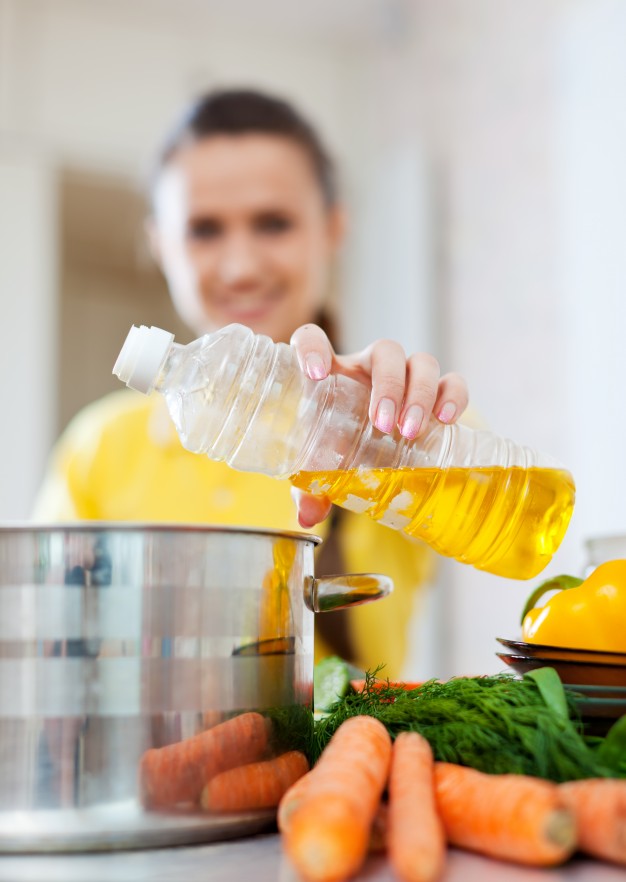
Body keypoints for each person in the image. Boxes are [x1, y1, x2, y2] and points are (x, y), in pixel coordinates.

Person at [33, 88, 470, 677]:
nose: (240, 266)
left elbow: (516, 532)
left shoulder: (384, 416)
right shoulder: (101, 448)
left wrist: (405, 430)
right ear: (161, 245)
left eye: (273, 223)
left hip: (350, 767)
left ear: (333, 229)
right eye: (204, 229)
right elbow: (43, 645)